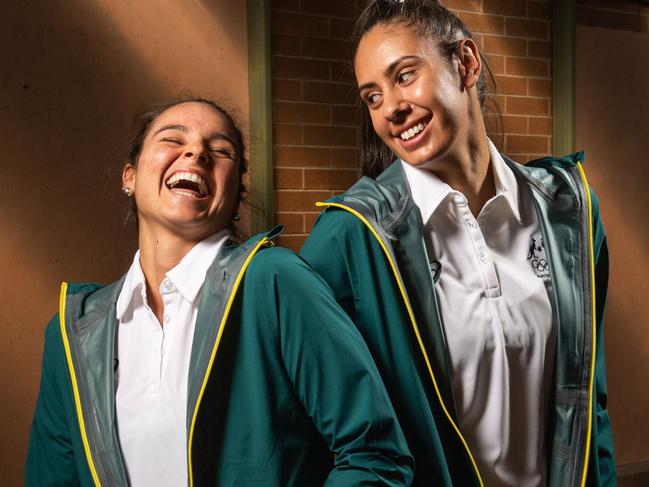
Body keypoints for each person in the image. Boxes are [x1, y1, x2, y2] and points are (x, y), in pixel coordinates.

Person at [300, 1, 615, 486]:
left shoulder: (568, 209)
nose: (391, 109)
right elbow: (322, 432)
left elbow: (588, 399)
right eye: (372, 96)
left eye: (404, 76)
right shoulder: (351, 237)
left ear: (466, 62)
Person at [25, 98, 414, 486]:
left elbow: (375, 453)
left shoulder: (275, 281)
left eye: (220, 150)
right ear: (130, 175)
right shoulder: (73, 332)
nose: (196, 152)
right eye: (173, 139)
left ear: (235, 194)